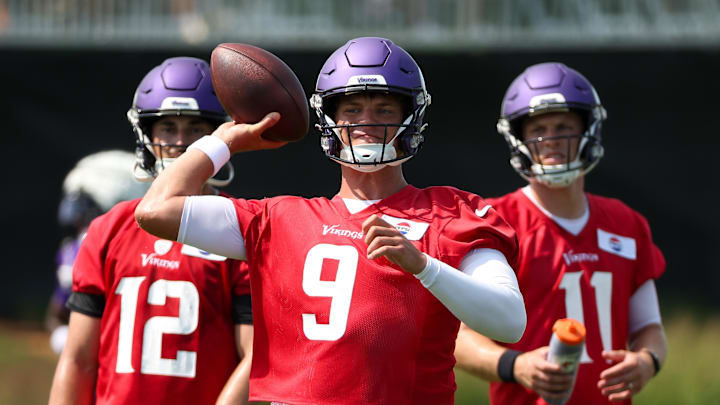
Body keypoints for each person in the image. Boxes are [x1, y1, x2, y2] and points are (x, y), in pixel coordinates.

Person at [134, 36, 527, 405]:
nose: (367, 121)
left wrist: (423, 266)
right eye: (352, 109)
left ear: (413, 116)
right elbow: (155, 209)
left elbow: (509, 321)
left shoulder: (449, 212)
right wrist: (226, 140)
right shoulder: (280, 218)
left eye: (384, 109)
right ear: (329, 120)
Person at [454, 62, 667, 404]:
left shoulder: (626, 223)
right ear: (518, 138)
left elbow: (650, 329)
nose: (551, 140)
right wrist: (515, 365)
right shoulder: (494, 222)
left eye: (563, 127)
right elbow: (458, 338)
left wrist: (646, 360)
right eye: (539, 129)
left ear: (587, 132)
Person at [48, 57, 253, 405]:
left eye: (195, 129)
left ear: (220, 135)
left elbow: (254, 357)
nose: (180, 142)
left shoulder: (238, 227)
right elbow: (77, 359)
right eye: (167, 127)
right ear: (146, 134)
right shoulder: (109, 229)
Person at [46, 150, 150, 355]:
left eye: (89, 209)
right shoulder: (75, 250)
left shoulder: (144, 252)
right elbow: (57, 314)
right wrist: (64, 337)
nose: (81, 222)